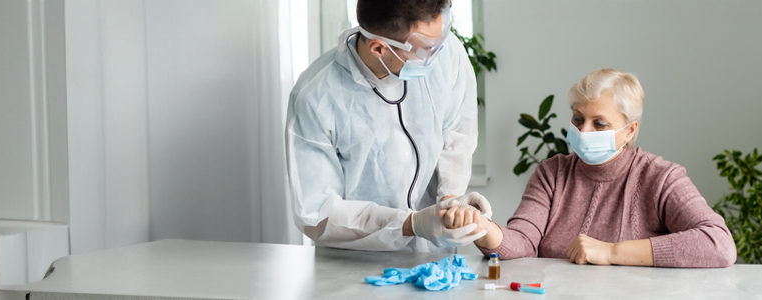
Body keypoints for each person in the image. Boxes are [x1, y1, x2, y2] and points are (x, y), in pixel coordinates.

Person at [443, 69, 736, 267]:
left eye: (600, 123)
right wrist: (482, 227)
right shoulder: (551, 173)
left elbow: (719, 243)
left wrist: (612, 252)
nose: (584, 131)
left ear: (630, 130)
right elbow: (522, 242)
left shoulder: (660, 177)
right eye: (577, 118)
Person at [285, 0, 490, 253]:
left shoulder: (448, 53)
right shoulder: (316, 97)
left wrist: (450, 200)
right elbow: (318, 213)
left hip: (435, 261)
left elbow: (458, 132)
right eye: (425, 50)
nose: (437, 55)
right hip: (355, 270)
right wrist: (411, 224)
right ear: (379, 48)